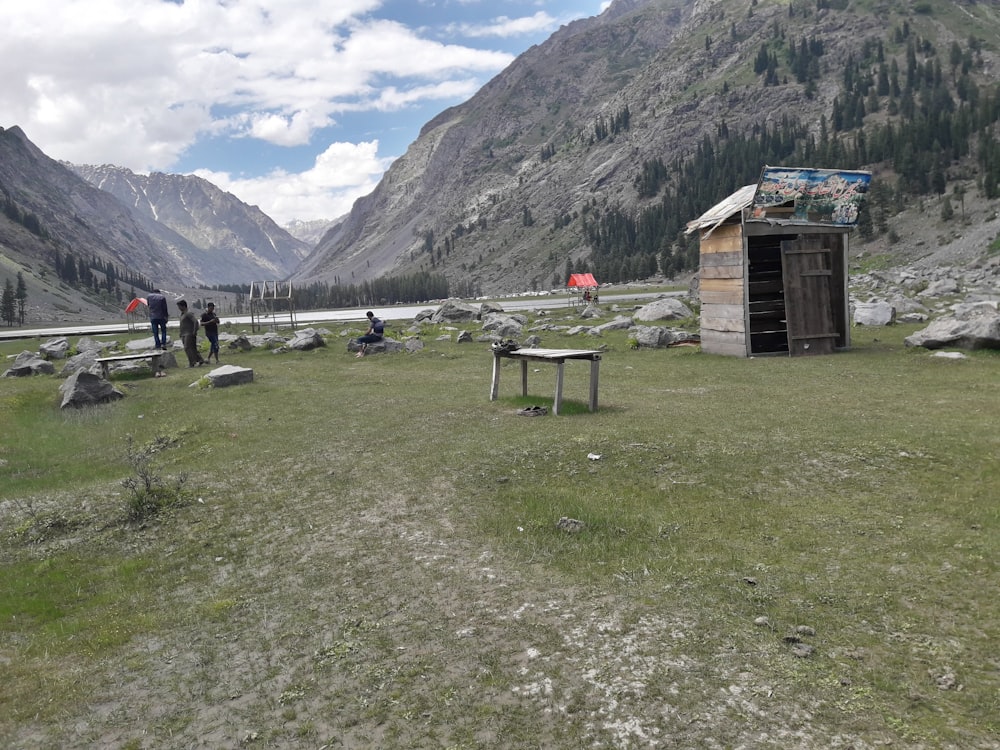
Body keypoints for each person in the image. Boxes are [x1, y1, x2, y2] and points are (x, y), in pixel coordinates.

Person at [176, 299, 206, 367]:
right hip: (183, 333)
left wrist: (194, 331)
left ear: (183, 306)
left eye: (179, 306)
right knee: (192, 348)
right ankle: (200, 359)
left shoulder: (188, 313)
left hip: (189, 333)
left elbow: (195, 322)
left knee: (187, 348)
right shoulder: (182, 314)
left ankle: (192, 362)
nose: (179, 308)